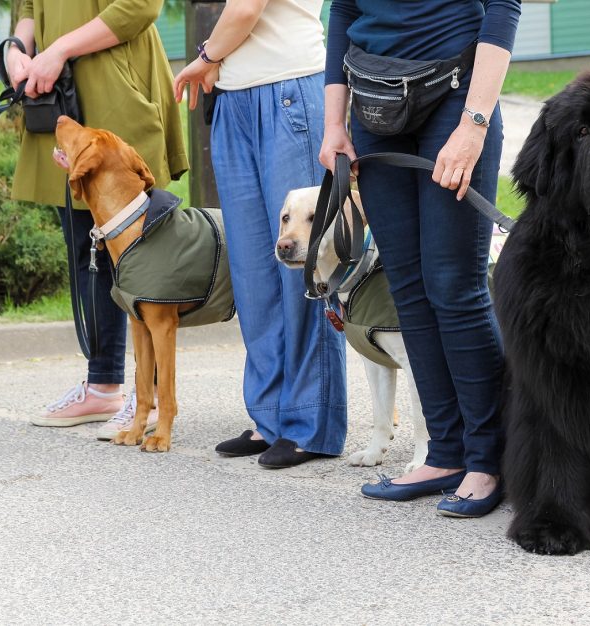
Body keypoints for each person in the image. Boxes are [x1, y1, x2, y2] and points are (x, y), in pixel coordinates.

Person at [320, 0, 521, 516]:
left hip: (456, 100)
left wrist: (474, 125)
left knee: (454, 286)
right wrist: (333, 124)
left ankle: (488, 458)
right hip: (373, 101)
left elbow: (503, 7)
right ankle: (446, 454)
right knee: (407, 286)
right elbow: (343, 9)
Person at [173, 0, 347, 468]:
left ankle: (311, 423)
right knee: (255, 271)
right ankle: (270, 417)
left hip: (289, 89)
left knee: (305, 272)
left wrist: (205, 58)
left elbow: (246, 9)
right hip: (234, 98)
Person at [6, 0, 188, 430]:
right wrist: (18, 47)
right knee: (84, 249)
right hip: (56, 89)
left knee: (140, 257)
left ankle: (153, 400)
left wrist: (59, 50)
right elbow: (28, 4)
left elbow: (141, 6)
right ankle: (103, 385)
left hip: (115, 85)